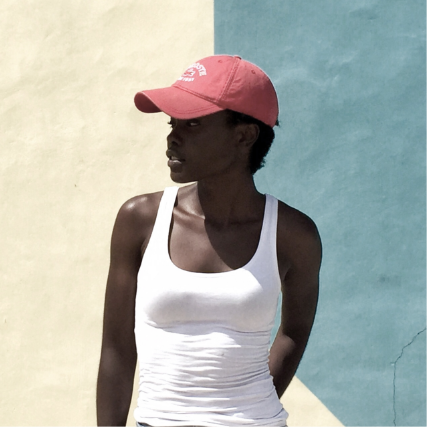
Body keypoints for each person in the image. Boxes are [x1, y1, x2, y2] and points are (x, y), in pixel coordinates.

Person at [96, 55, 322, 427]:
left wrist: (245, 408)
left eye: (193, 123)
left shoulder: (293, 234)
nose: (172, 137)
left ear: (244, 136)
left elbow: (295, 331)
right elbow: (117, 349)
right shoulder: (140, 220)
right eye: (172, 122)